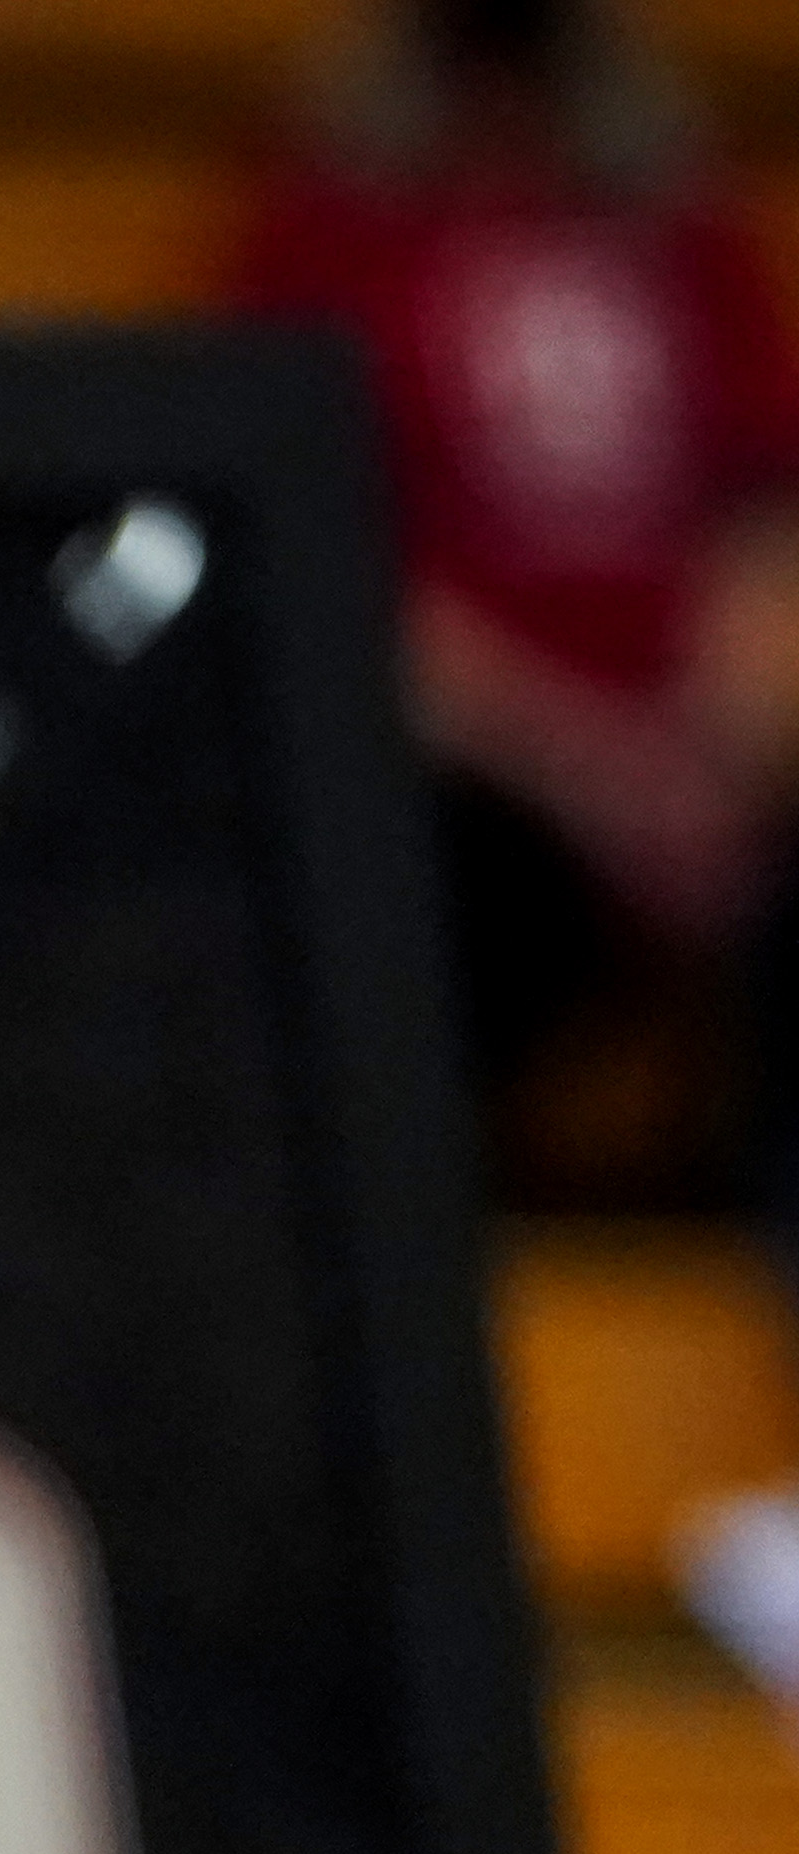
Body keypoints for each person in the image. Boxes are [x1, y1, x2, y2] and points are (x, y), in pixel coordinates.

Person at [229, 0, 799, 1209]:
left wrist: (721, 743)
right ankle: (439, 1235)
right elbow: (326, 563)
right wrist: (587, 770)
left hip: (686, 753)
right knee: (404, 859)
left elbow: (760, 518)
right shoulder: (327, 237)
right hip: (480, 768)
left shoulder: (674, 232)